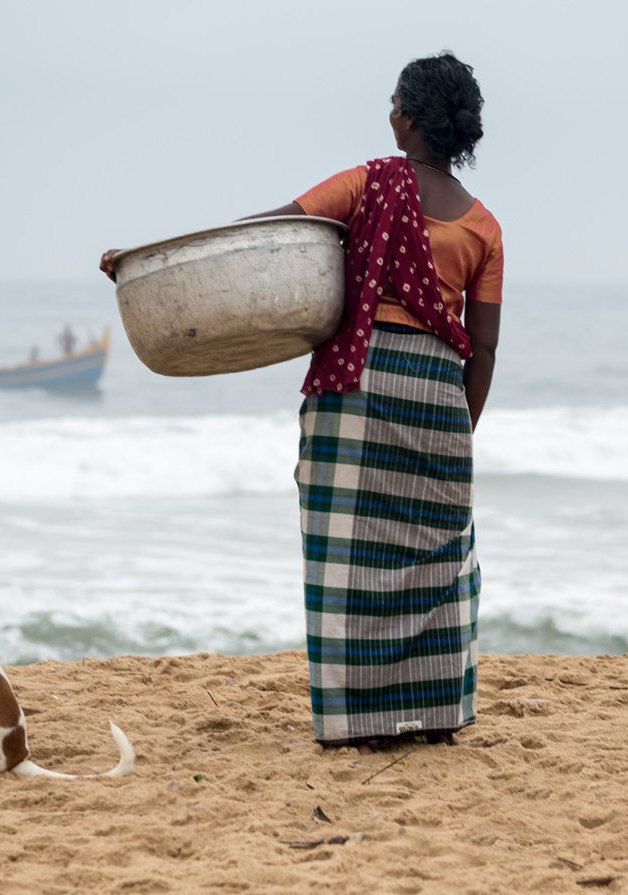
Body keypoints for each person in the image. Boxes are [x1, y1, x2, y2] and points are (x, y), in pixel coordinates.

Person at [101, 52, 502, 754]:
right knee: (439, 554)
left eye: (392, 102)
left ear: (407, 118)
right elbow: (485, 347)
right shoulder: (485, 227)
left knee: (348, 551)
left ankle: (359, 722)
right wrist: (458, 427)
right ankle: (436, 709)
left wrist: (142, 258)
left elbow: (265, 238)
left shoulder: (368, 182)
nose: (388, 113)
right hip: (439, 394)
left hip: (360, 382)